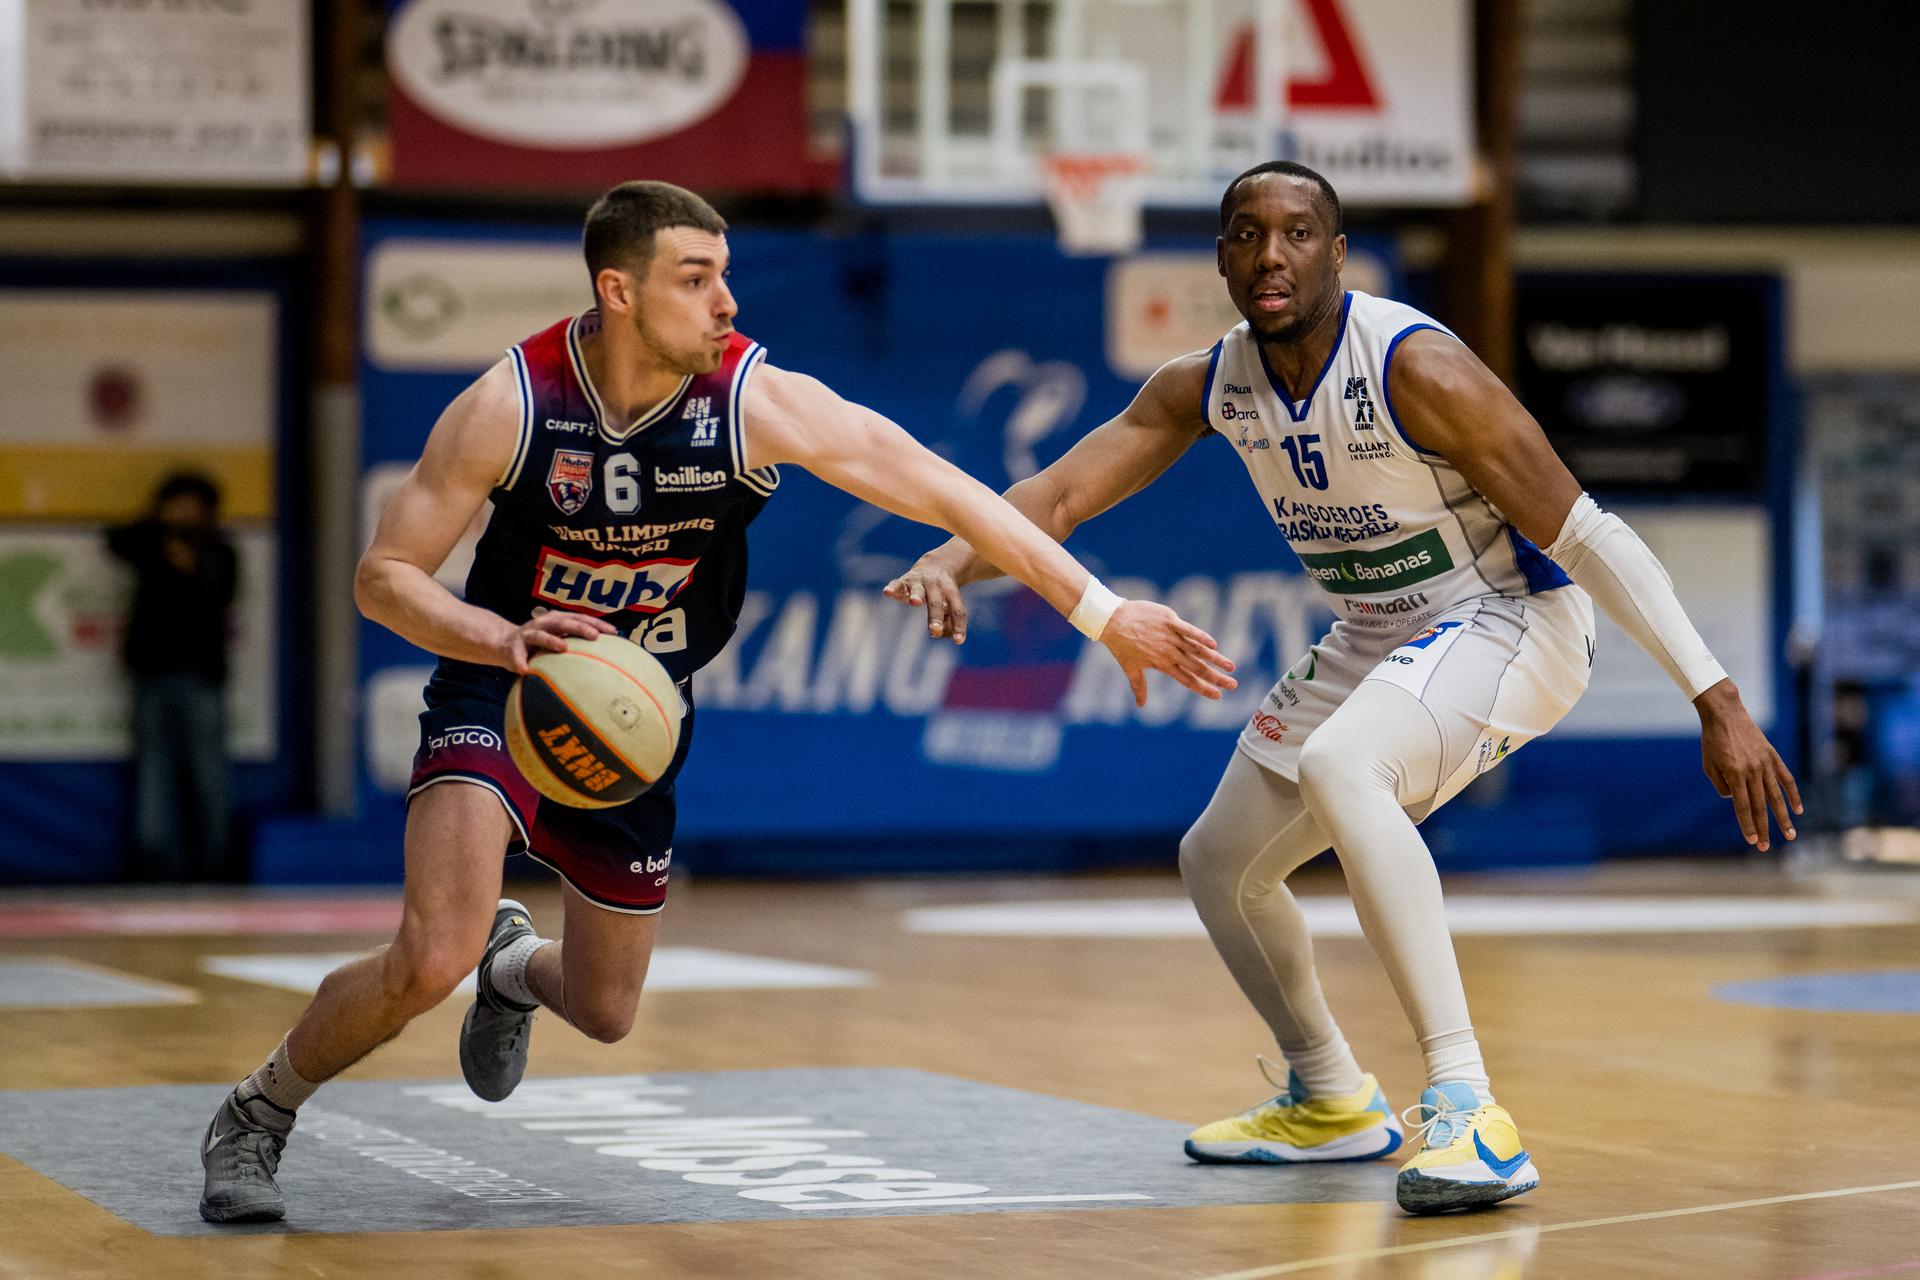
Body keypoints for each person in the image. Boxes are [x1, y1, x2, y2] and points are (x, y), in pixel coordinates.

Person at [196, 180, 1236, 1224]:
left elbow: (948, 490)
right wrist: (500, 636)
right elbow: (384, 576)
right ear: (618, 290)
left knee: (605, 1010)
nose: (728, 302)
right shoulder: (512, 404)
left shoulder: (756, 401)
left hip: (638, 712)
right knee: (431, 951)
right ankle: (258, 1109)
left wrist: (1103, 615)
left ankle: (513, 969)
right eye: (696, 279)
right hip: (504, 682)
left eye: (727, 275)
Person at [884, 160, 1801, 1215]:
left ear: (1337, 252)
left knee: (1342, 765)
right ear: (1222, 254)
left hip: (1515, 621)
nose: (1269, 254)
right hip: (1379, 629)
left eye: (1296, 232)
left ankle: (1470, 1109)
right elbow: (1055, 494)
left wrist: (1717, 695)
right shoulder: (1209, 381)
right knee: (1218, 862)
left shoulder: (1419, 367)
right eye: (1245, 234)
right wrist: (953, 559)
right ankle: (1328, 1094)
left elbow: (1590, 534)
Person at [106, 472, 239, 883]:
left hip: (200, 676)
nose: (182, 511)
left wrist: (191, 558)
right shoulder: (149, 544)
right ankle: (157, 861)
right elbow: (114, 540)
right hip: (151, 674)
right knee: (154, 771)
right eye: (174, 502)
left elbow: (218, 595)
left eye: (190, 503)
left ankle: (215, 862)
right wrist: (161, 525)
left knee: (207, 772)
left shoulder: (220, 550)